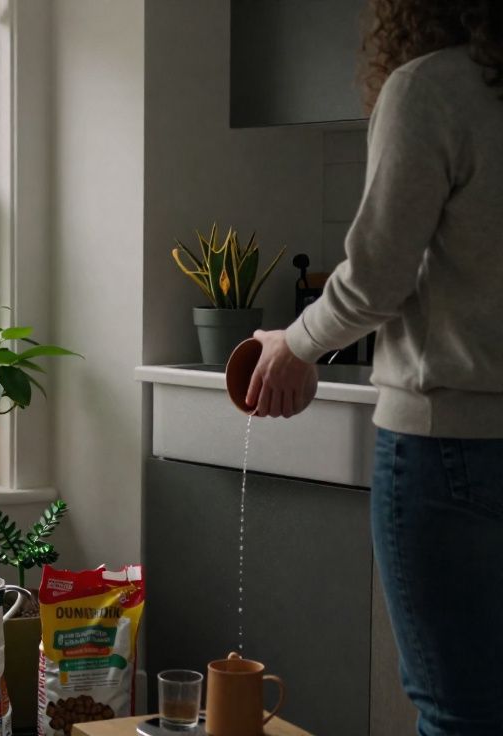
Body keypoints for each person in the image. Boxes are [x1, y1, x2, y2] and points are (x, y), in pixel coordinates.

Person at [246, 2, 503, 734]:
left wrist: (294, 344)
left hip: (446, 443)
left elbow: (373, 282)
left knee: (461, 713)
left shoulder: (432, 89)